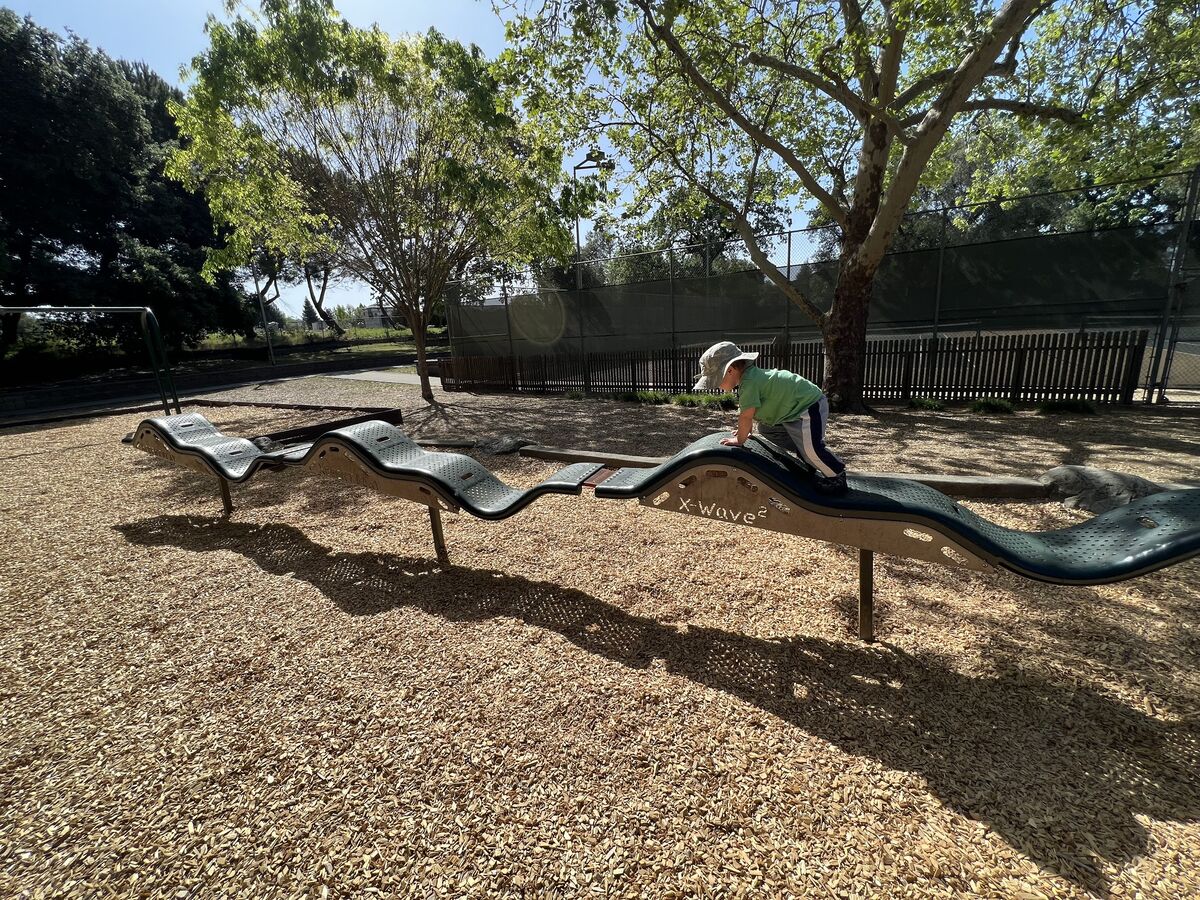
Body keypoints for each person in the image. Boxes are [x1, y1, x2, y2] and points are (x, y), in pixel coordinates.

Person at [693, 340, 847, 492]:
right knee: (766, 429)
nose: (717, 386)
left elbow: (746, 416)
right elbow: (752, 412)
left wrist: (740, 439)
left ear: (730, 370)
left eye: (717, 381)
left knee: (812, 448)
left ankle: (836, 475)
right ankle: (807, 456)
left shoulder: (749, 383)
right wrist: (746, 431)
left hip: (808, 405)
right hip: (790, 412)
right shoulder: (750, 378)